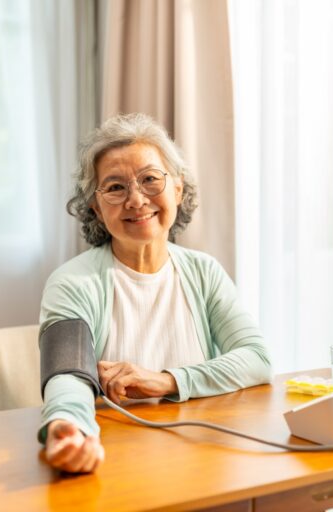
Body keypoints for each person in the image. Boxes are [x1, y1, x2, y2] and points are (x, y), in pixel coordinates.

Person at [38, 113, 272, 473]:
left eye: (149, 179)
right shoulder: (71, 283)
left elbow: (257, 358)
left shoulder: (204, 272)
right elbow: (67, 376)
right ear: (96, 209)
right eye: (115, 187)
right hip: (115, 461)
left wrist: (165, 380)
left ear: (177, 188)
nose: (136, 199)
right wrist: (69, 428)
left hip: (201, 456)